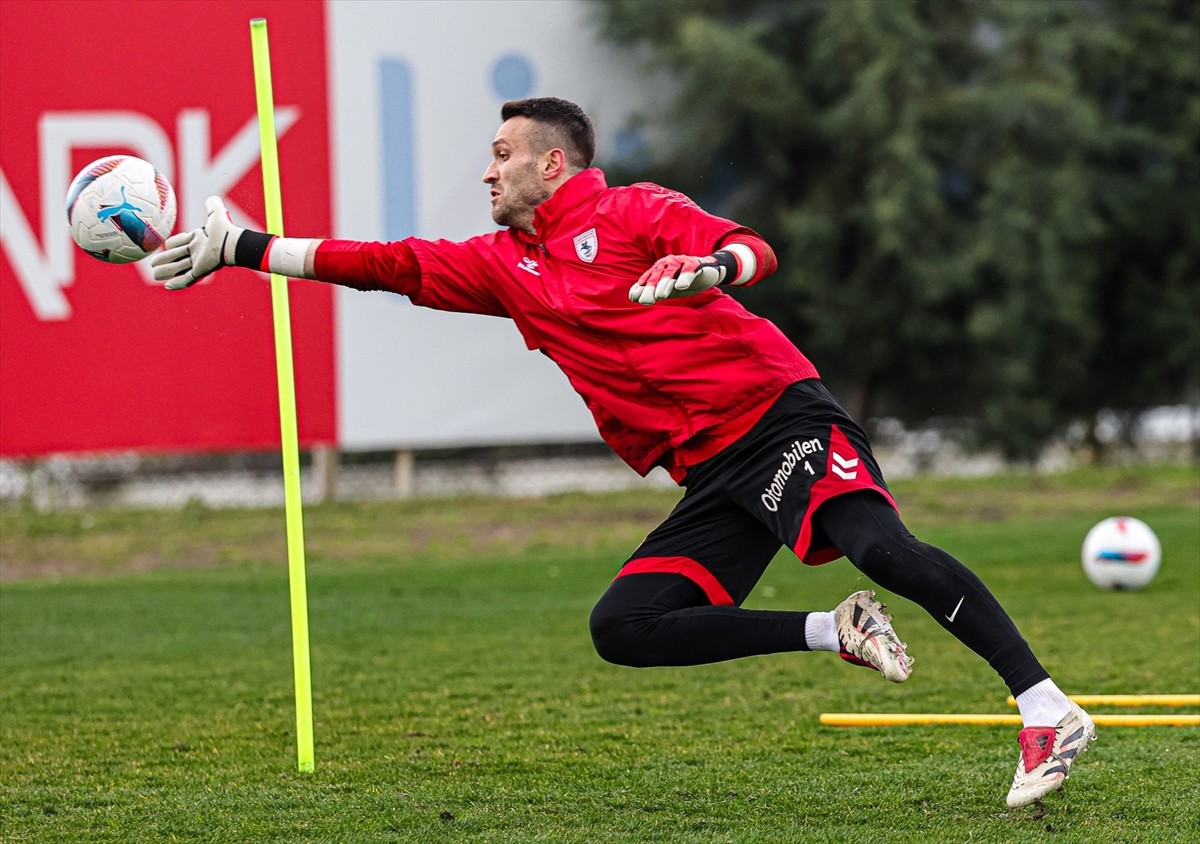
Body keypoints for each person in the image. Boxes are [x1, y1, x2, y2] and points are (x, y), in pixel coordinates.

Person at [152, 97, 1093, 807]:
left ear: (554, 164)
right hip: (713, 468)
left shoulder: (635, 209)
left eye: (503, 155)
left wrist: (710, 269)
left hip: (776, 415)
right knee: (625, 627)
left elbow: (748, 248)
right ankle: (831, 630)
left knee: (882, 548)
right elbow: (386, 266)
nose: (487, 172)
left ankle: (1046, 707)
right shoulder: (501, 266)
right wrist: (243, 247)